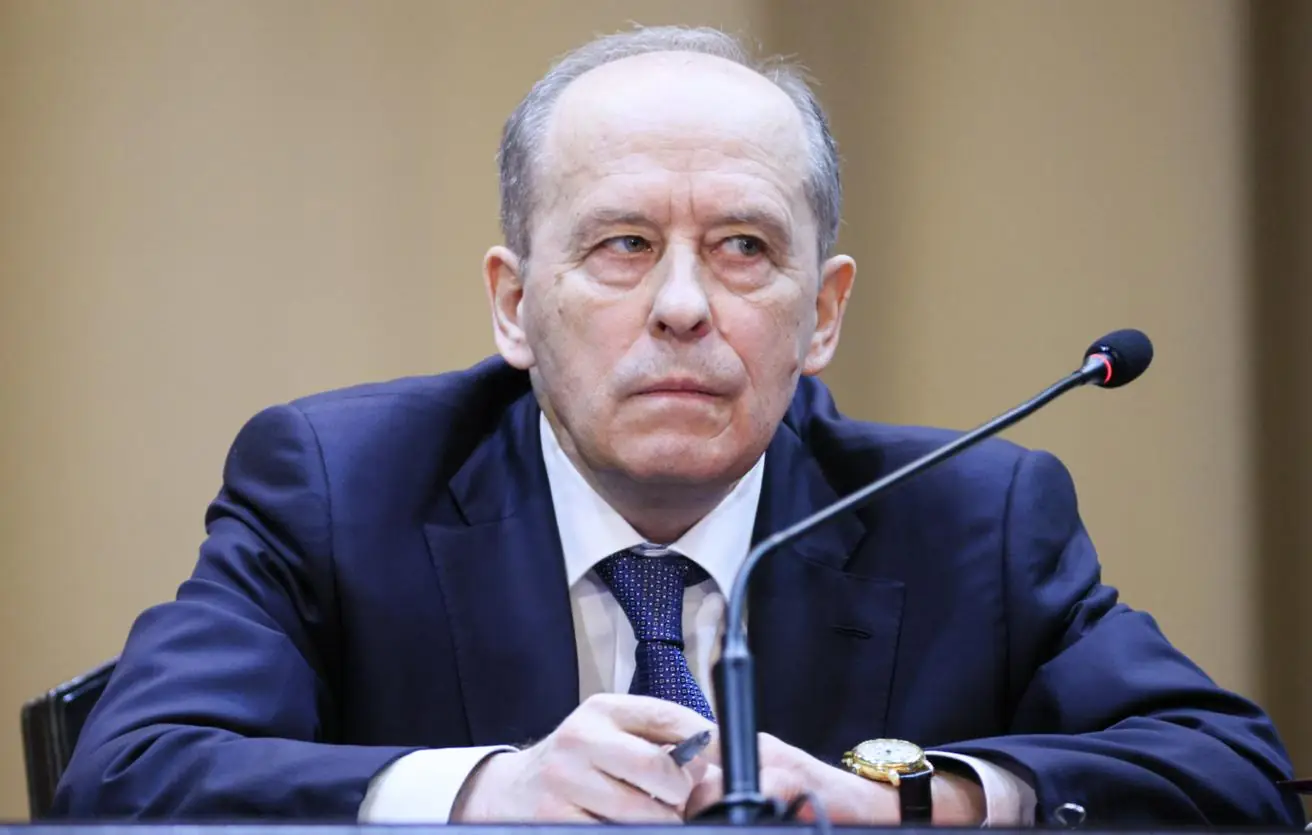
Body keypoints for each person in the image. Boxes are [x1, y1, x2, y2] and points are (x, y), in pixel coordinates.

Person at [54, 25, 1302, 827]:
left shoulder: (970, 515)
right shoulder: (340, 486)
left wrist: (913, 801)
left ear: (822, 313)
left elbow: (1230, 768)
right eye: (622, 244)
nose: (685, 306)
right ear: (513, 304)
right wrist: (489, 790)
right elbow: (124, 774)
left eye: (744, 247)